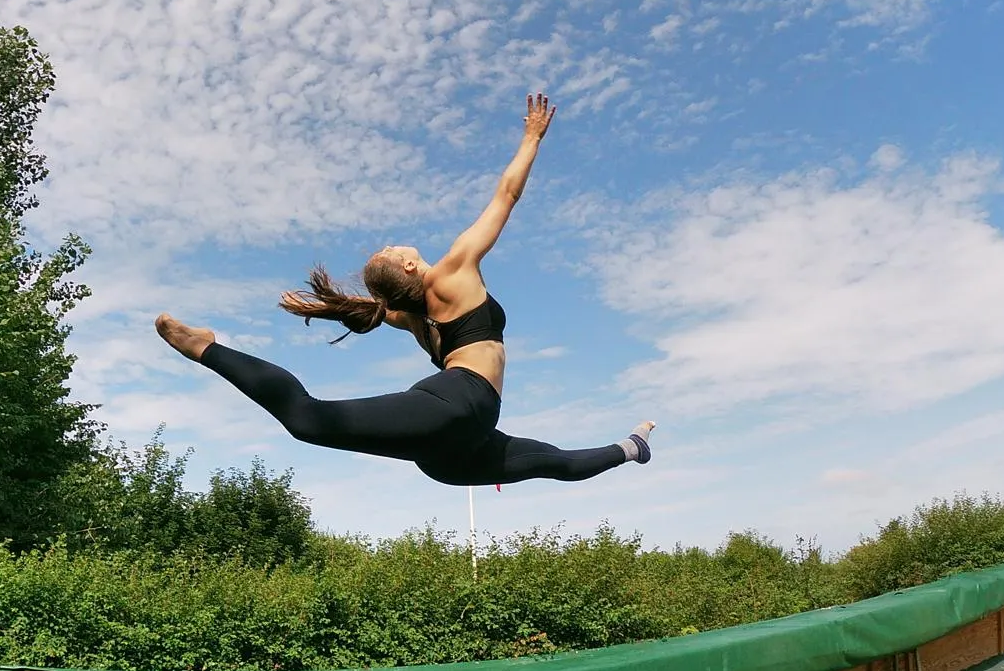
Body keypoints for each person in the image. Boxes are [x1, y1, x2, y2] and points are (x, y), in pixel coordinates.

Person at [155, 93, 654, 487]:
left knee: (558, 464)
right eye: (394, 249)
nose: (396, 243)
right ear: (412, 266)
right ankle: (206, 346)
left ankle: (633, 447)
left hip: (452, 453)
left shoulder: (412, 315)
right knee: (307, 419)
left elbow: (373, 312)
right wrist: (532, 138)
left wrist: (330, 309)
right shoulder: (450, 275)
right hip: (459, 410)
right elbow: (506, 195)